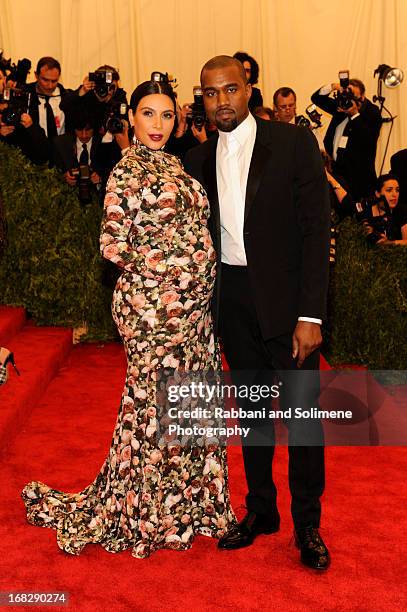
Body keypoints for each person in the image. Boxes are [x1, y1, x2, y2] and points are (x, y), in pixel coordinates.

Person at [21, 72, 236, 559]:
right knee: (152, 409)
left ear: (177, 118)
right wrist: (174, 269)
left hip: (194, 314)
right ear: (131, 120)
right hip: (152, 310)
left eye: (166, 114)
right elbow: (113, 243)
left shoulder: (179, 167)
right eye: (147, 114)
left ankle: (188, 505)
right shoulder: (127, 170)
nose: (157, 123)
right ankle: (145, 512)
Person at [184, 55, 331, 570]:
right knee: (252, 415)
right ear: (200, 99)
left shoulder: (291, 143)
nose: (220, 100)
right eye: (210, 92)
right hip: (234, 303)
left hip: (289, 306)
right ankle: (261, 511)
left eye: (229, 89)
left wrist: (311, 314)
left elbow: (316, 232)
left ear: (249, 90)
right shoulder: (196, 159)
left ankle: (307, 523)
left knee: (303, 420)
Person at [311, 78, 382, 199]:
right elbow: (316, 98)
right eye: (347, 95)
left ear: (362, 96)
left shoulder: (372, 112)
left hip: (359, 180)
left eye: (353, 96)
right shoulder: (341, 105)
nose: (349, 100)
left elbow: (368, 140)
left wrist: (354, 114)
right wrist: (334, 86)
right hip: (337, 175)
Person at [25, 57, 67, 139]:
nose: (50, 86)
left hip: (61, 149)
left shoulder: (65, 96)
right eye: (45, 80)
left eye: (54, 81)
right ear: (36, 75)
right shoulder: (26, 95)